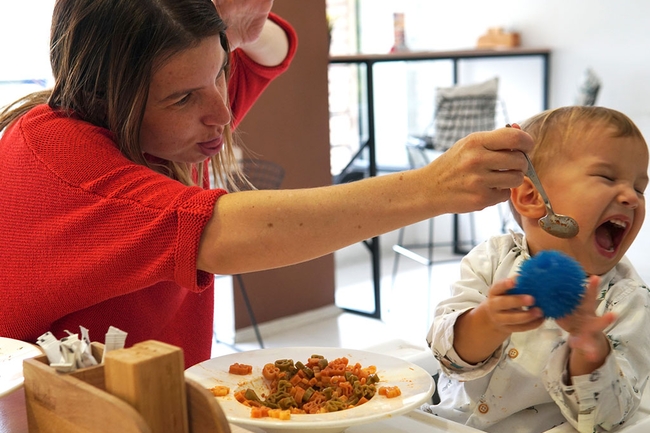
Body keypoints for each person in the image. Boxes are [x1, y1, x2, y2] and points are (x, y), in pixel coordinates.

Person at [0, 0, 533, 369]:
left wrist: (233, 24)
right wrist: (433, 186)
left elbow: (273, 48)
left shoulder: (167, 129)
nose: (221, 114)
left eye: (219, 73)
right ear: (108, 95)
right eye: (184, 97)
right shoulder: (60, 160)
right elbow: (220, 234)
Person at [422, 106, 650, 433]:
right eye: (607, 177)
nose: (631, 197)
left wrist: (590, 347)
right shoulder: (490, 260)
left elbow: (608, 419)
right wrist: (489, 321)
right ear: (531, 197)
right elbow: (447, 356)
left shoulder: (628, 300)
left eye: (640, 187)